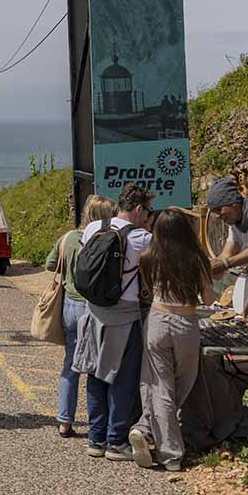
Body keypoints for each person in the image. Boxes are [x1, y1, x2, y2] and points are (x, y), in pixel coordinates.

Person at [128, 208, 215, 472]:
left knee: (161, 386)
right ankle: (171, 454)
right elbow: (210, 298)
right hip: (185, 322)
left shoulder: (147, 257)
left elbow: (148, 290)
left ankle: (147, 430)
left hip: (157, 319)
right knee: (183, 382)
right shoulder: (195, 259)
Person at [73, 182, 155, 461]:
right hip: (125, 315)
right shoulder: (144, 238)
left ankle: (95, 439)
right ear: (139, 209)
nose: (148, 218)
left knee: (95, 377)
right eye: (147, 212)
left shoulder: (93, 229)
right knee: (123, 379)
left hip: (93, 313)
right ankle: (116, 441)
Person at [44, 194, 115, 437]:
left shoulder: (69, 239)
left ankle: (65, 420)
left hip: (70, 307)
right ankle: (100, 424)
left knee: (71, 365)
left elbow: (50, 264)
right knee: (98, 367)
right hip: (95, 308)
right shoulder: (106, 240)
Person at [206, 176, 248, 278]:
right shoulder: (235, 221)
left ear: (234, 204)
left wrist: (225, 264)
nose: (218, 216)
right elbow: (227, 254)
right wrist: (211, 268)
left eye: (219, 209)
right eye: (214, 212)